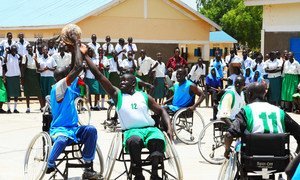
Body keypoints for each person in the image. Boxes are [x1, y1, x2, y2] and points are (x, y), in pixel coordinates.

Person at [84, 48, 173, 180]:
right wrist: (85, 56)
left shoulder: (143, 95)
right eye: (121, 81)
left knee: (157, 139)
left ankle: (155, 174)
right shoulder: (117, 95)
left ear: (133, 84)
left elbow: (161, 111)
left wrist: (170, 128)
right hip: (132, 131)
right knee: (134, 141)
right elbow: (99, 76)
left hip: (149, 128)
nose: (121, 83)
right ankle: (138, 173)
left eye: (125, 81)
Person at [46, 24, 101, 179]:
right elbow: (76, 67)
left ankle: (88, 165)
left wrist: (78, 51)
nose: (69, 74)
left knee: (91, 130)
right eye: (66, 74)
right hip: (60, 129)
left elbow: (74, 67)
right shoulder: (58, 87)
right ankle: (50, 163)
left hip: (73, 128)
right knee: (62, 139)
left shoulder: (68, 87)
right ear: (62, 78)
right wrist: (76, 42)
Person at [224, 83, 300, 159]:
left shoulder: (247, 111)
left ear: (249, 95)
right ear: (264, 95)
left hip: (251, 160)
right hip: (278, 159)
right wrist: (296, 156)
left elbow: (229, 135)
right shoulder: (279, 111)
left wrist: (227, 151)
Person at [22, 44, 43, 113]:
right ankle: (28, 107)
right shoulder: (25, 56)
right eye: (28, 48)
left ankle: (42, 106)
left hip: (35, 73)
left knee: (38, 90)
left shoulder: (35, 55)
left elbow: (38, 66)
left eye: (30, 47)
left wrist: (35, 59)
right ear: (27, 49)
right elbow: (23, 67)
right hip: (28, 73)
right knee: (27, 91)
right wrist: (22, 77)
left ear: (32, 48)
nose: (30, 49)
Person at [4, 45, 22, 113]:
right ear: (11, 50)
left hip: (16, 76)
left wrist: (17, 53)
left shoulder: (17, 56)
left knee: (16, 94)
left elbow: (22, 57)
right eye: (13, 50)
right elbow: (5, 61)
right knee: (8, 94)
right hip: (9, 76)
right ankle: (8, 109)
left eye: (15, 50)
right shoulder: (8, 56)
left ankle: (15, 108)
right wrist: (6, 52)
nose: (14, 51)